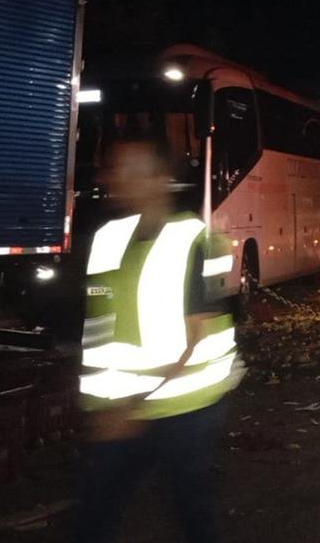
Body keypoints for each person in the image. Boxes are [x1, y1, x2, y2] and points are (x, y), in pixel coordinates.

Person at [73, 140, 242, 543]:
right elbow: (99, 323)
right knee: (93, 516)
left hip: (185, 407)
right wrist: (100, 401)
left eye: (132, 170)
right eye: (114, 169)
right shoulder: (108, 239)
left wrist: (130, 408)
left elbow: (194, 334)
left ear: (160, 180)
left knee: (191, 512)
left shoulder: (197, 241)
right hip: (122, 408)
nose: (115, 179)